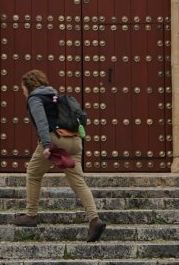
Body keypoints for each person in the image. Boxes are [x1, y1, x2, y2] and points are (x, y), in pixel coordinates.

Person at [10, 69, 107, 242]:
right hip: (75, 141)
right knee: (78, 181)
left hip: (56, 139)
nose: (22, 91)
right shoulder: (55, 95)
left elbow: (42, 122)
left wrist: (47, 145)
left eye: (23, 87)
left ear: (29, 86)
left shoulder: (35, 98)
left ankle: (31, 215)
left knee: (33, 173)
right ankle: (94, 219)